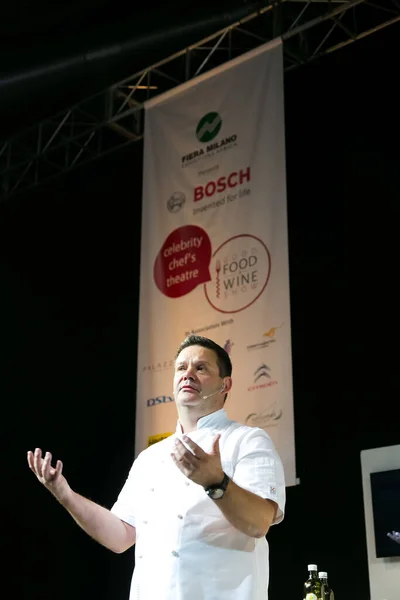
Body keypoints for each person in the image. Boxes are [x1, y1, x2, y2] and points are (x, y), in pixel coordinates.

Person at [27, 334, 286, 600]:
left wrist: (216, 482)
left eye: (201, 368)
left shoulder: (247, 440)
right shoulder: (150, 458)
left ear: (225, 385)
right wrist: (65, 495)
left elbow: (259, 523)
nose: (188, 374)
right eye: (181, 368)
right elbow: (120, 536)